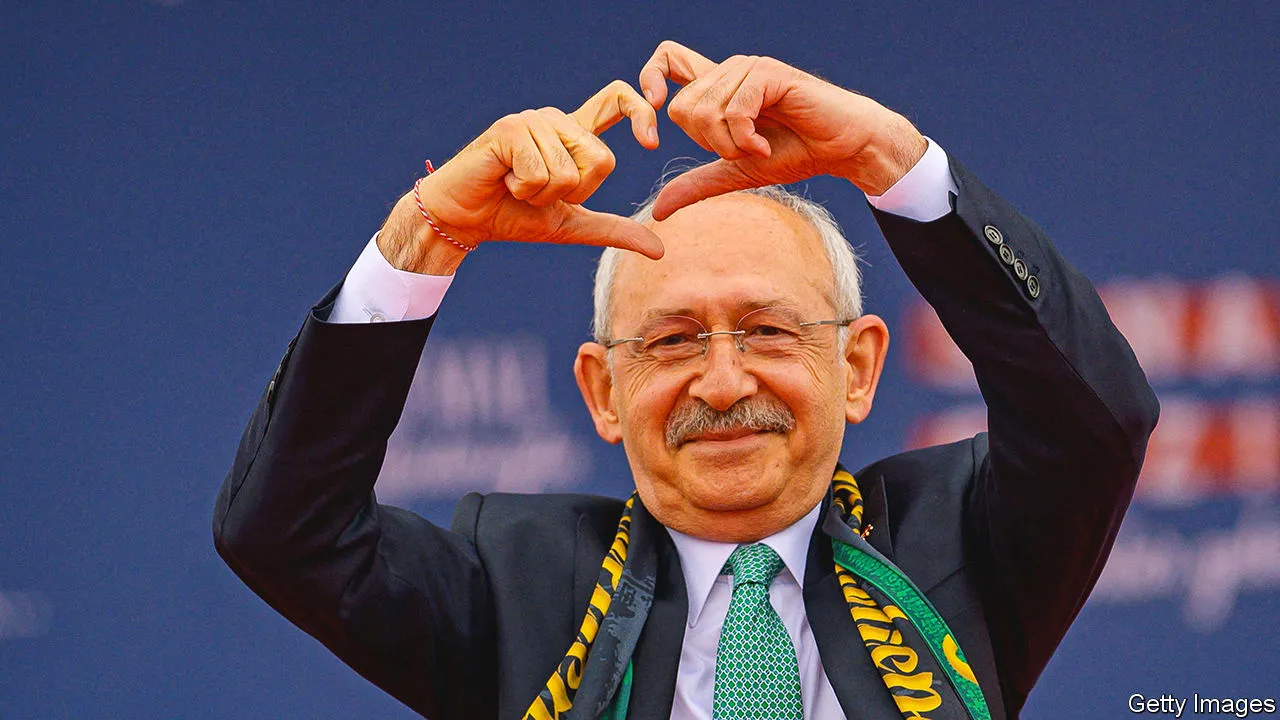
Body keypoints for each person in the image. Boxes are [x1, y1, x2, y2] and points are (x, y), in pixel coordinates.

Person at [214, 41, 1159, 720]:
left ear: (858, 366)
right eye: (671, 342)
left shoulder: (955, 545)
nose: (722, 381)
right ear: (603, 391)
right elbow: (284, 532)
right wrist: (424, 239)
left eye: (768, 330)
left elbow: (1095, 421)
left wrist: (887, 159)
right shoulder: (515, 583)